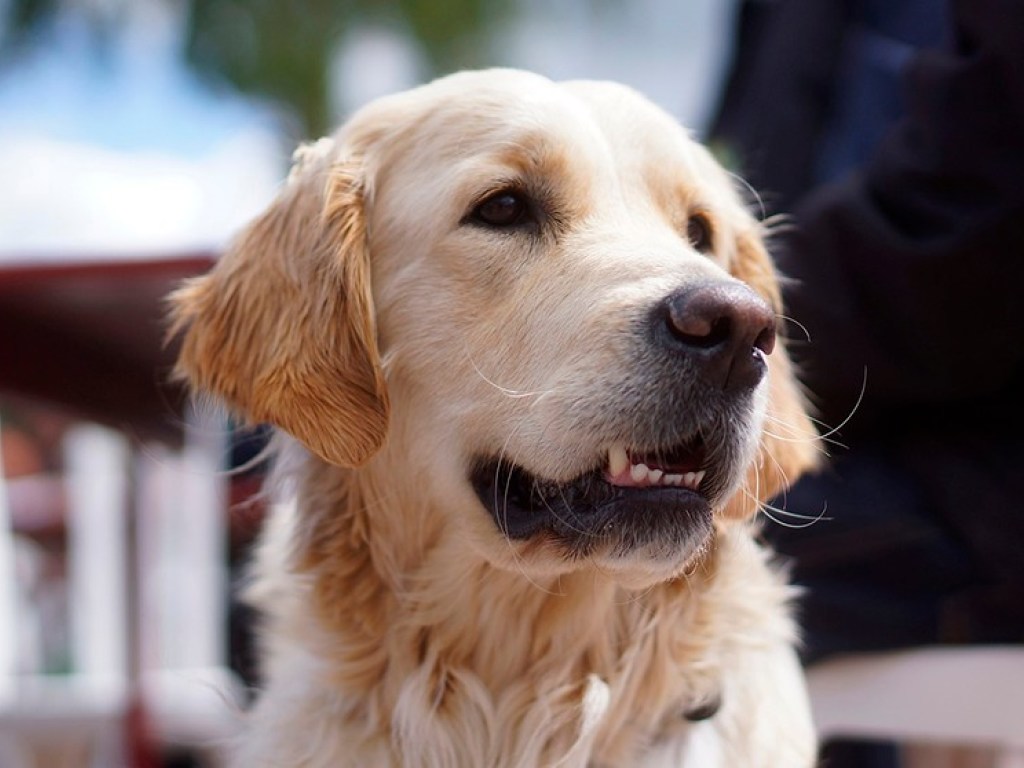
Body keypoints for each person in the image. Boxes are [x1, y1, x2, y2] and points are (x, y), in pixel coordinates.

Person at [712, 0, 1024, 764]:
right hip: (878, 402)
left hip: (983, 476)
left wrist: (719, 315)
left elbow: (968, 233)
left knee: (621, 537)